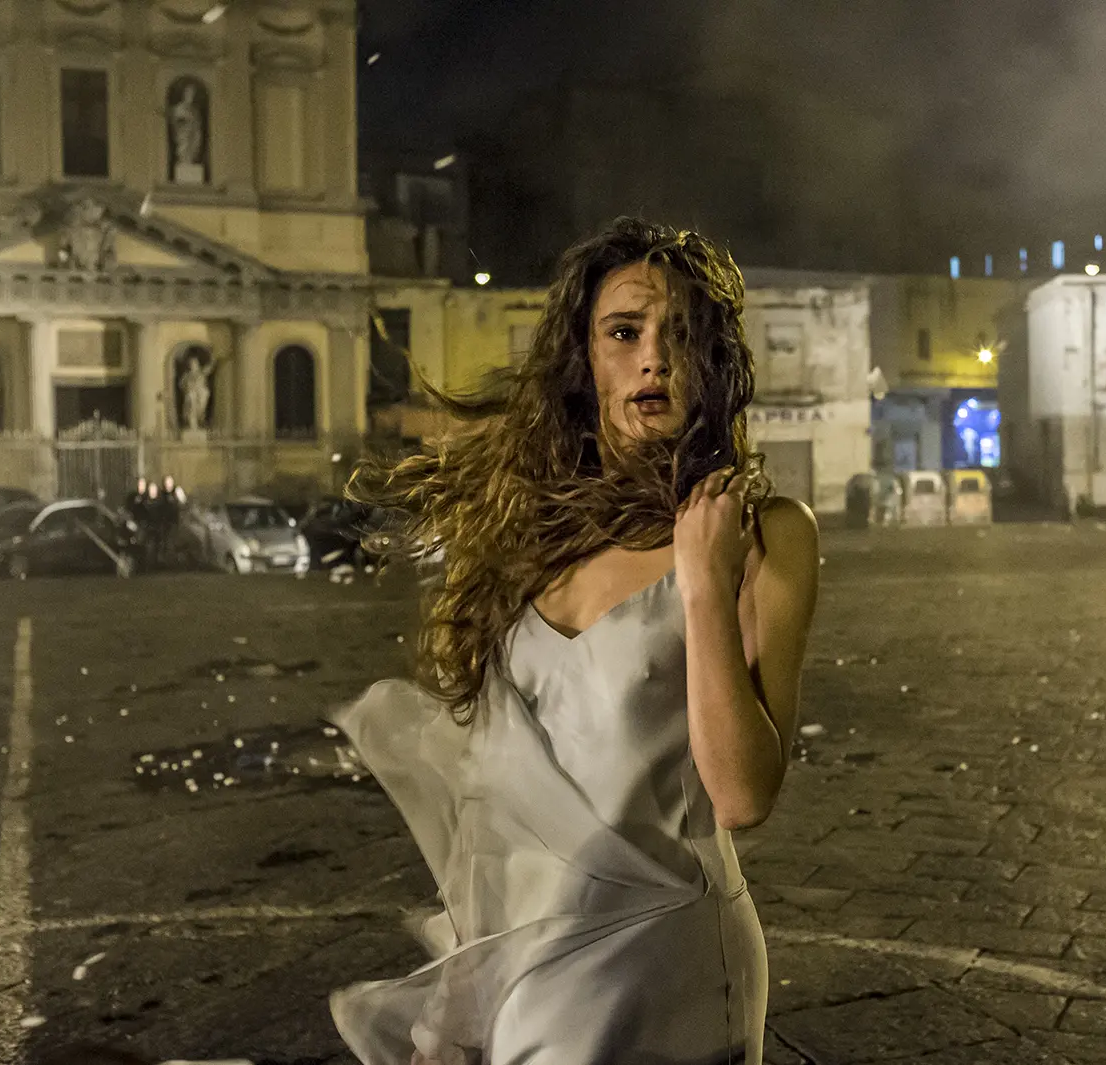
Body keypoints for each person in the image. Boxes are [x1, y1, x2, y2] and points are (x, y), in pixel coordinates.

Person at [332, 217, 820, 1065]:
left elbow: (743, 795)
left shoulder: (766, 533)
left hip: (663, 962)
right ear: (583, 359)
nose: (654, 358)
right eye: (624, 332)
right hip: (529, 966)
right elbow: (493, 803)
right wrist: (457, 1005)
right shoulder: (525, 536)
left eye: (680, 334)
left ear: (714, 360)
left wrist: (703, 584)